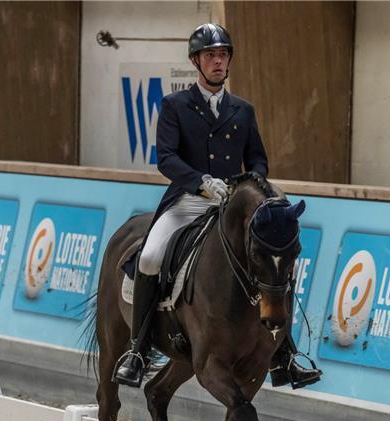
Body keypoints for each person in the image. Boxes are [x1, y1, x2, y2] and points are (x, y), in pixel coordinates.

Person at [114, 23, 322, 390]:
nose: (218, 61)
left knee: (273, 260)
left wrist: (253, 189)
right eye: (210, 55)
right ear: (196, 61)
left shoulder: (242, 110)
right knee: (148, 258)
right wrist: (200, 182)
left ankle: (285, 353)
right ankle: (138, 349)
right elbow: (165, 158)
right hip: (190, 201)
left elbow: (257, 160)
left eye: (223, 55)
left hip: (233, 208)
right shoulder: (175, 105)